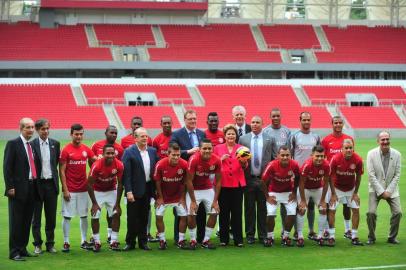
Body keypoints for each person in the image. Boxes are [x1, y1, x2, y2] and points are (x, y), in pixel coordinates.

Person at [170, 109, 206, 243]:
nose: (193, 121)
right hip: (183, 177)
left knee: (200, 210)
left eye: (194, 119)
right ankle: (178, 238)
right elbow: (171, 149)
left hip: (200, 177)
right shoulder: (177, 134)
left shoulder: (202, 133)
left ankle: (200, 237)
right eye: (190, 119)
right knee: (182, 210)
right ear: (184, 120)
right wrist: (188, 151)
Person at [59, 123, 97, 252]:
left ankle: (83, 240)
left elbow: (95, 162)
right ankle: (66, 241)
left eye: (81, 134)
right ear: (71, 134)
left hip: (84, 189)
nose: (79, 136)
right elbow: (62, 170)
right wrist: (65, 189)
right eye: (76, 134)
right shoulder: (66, 150)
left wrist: (101, 158)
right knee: (67, 216)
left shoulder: (86, 149)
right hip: (70, 189)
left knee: (84, 215)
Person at [4, 118, 37, 261]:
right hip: (17, 189)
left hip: (31, 188)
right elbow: (7, 167)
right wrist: (10, 187)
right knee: (16, 221)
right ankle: (14, 252)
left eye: (32, 127)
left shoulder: (32, 145)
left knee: (26, 220)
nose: (30, 130)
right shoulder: (13, 144)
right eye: (27, 127)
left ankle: (23, 248)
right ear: (21, 129)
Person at [239, 116, 274, 244]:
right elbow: (239, 158)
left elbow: (273, 158)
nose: (254, 124)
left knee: (262, 208)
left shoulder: (269, 139)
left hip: (263, 179)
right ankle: (250, 235)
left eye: (257, 122)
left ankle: (263, 235)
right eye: (253, 122)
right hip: (248, 178)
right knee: (249, 208)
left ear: (262, 124)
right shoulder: (243, 139)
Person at [122, 127, 158, 251]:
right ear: (135, 138)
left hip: (148, 189)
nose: (144, 138)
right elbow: (126, 174)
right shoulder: (129, 152)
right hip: (134, 190)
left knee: (144, 217)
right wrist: (128, 191)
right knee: (132, 217)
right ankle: (130, 242)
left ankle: (143, 242)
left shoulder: (153, 151)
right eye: (142, 136)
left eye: (146, 136)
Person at [366, 131, 402, 245]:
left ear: (390, 139)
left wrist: (389, 191)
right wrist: (381, 191)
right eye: (383, 139)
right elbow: (371, 175)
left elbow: (397, 175)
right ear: (378, 141)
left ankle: (392, 237)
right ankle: (371, 237)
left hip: (391, 189)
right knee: (371, 213)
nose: (385, 141)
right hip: (375, 188)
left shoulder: (397, 154)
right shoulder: (371, 154)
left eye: (387, 139)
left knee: (398, 212)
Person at [214, 124, 246, 247]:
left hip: (237, 185)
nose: (231, 136)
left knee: (237, 213)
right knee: (224, 213)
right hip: (223, 184)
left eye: (233, 134)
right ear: (225, 135)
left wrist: (243, 163)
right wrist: (220, 159)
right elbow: (214, 163)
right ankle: (224, 239)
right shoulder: (218, 148)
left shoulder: (242, 148)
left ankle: (238, 239)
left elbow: (244, 166)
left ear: (236, 135)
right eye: (229, 134)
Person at [321, 116, 354, 238]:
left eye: (340, 123)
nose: (338, 125)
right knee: (330, 205)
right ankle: (326, 230)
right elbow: (322, 158)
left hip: (346, 179)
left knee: (347, 205)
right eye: (336, 123)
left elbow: (352, 156)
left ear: (343, 124)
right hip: (331, 180)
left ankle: (347, 230)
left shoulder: (349, 139)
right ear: (332, 124)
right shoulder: (326, 140)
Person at [31, 119, 60, 254]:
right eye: (43, 129)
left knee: (51, 217)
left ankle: (50, 244)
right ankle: (37, 244)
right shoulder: (31, 145)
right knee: (36, 217)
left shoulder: (55, 144)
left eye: (47, 128)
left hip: (51, 184)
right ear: (37, 130)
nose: (46, 131)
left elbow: (56, 163)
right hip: (37, 185)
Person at [186, 139, 222, 249]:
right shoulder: (194, 159)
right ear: (199, 150)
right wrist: (192, 201)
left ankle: (206, 240)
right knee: (191, 214)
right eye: (204, 148)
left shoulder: (216, 160)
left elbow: (219, 181)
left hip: (207, 188)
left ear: (212, 149)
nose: (207, 150)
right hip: (194, 189)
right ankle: (193, 240)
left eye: (209, 148)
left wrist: (215, 201)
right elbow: (189, 181)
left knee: (215, 212)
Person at [87, 144, 124, 252]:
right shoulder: (97, 165)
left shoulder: (119, 165)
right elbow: (89, 184)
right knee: (95, 215)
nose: (110, 155)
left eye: (112, 153)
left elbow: (121, 184)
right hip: (97, 191)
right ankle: (97, 241)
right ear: (103, 154)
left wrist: (117, 204)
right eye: (108, 153)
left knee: (116, 214)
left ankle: (114, 241)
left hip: (111, 190)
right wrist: (94, 203)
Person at [261, 145, 300, 247]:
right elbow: (262, 181)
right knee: (270, 213)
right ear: (278, 155)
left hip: (288, 192)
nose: (285, 157)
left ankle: (285, 237)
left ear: (290, 156)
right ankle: (270, 237)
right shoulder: (272, 165)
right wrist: (267, 197)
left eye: (287, 155)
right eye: (282, 155)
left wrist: (295, 192)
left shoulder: (294, 164)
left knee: (292, 213)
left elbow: (298, 178)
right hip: (273, 192)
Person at [290, 111, 320, 240]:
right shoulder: (294, 136)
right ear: (300, 120)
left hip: (312, 175)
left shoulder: (316, 136)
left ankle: (311, 230)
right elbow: (290, 154)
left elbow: (319, 154)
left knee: (311, 204)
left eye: (308, 120)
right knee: (299, 204)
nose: (306, 122)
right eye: (304, 120)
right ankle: (297, 231)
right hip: (298, 175)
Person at [327, 139, 364, 246]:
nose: (348, 150)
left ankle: (354, 236)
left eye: (350, 148)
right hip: (337, 188)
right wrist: (333, 194)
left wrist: (355, 193)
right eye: (346, 148)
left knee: (356, 210)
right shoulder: (335, 159)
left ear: (353, 148)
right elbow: (330, 176)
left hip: (351, 189)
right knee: (332, 210)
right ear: (342, 149)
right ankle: (332, 236)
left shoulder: (358, 160)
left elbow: (358, 178)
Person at [153, 143, 188, 249]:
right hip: (163, 196)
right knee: (159, 216)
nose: (176, 157)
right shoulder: (160, 164)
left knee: (184, 216)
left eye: (178, 155)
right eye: (174, 155)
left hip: (178, 196)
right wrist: (160, 197)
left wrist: (182, 198)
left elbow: (185, 182)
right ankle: (162, 240)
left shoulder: (184, 164)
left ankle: (181, 240)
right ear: (168, 154)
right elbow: (157, 182)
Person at [263, 108, 291, 234]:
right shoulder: (266, 131)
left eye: (277, 116)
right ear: (270, 117)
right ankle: (269, 232)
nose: (275, 118)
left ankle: (285, 230)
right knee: (271, 202)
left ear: (281, 117)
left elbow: (290, 150)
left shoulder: (287, 131)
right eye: (273, 116)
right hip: (272, 170)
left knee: (286, 203)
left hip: (285, 169)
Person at [297, 145, 330, 247]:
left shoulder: (326, 165)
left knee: (323, 209)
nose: (320, 158)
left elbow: (326, 183)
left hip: (318, 188)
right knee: (302, 209)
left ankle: (320, 236)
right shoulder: (307, 165)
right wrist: (303, 200)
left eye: (322, 156)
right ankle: (300, 236)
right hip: (305, 189)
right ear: (312, 155)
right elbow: (301, 183)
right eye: (317, 156)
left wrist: (323, 199)